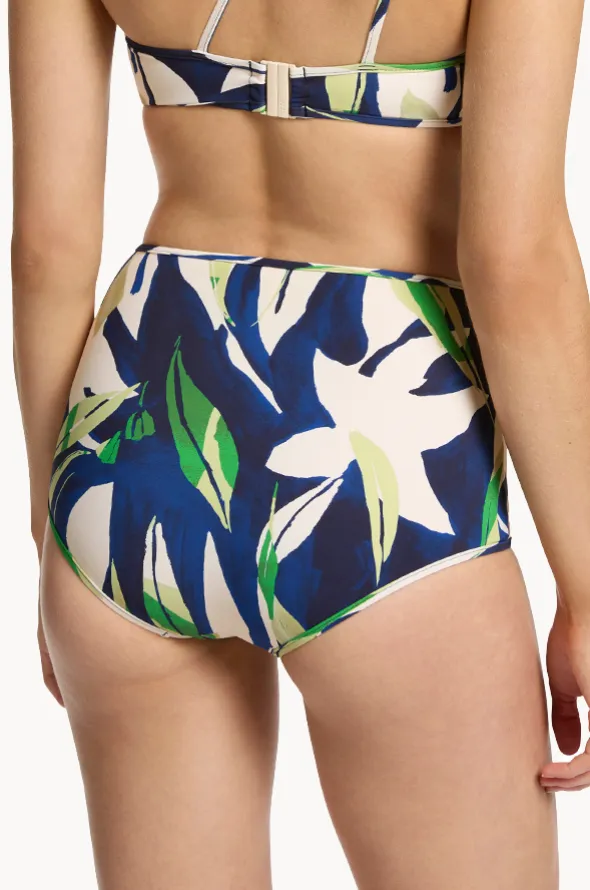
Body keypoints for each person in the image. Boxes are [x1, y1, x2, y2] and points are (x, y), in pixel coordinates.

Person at [9, 0, 590, 887]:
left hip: (140, 422)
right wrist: (585, 587)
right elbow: (516, 262)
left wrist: (53, 533)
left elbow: (45, 251)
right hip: (377, 439)